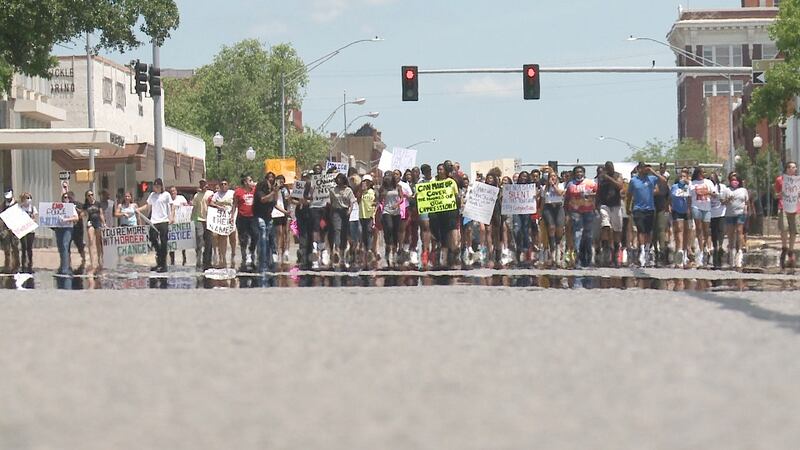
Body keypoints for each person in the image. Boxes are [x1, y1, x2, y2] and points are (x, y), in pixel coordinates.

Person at [627, 163, 667, 267]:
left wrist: (653, 172)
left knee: (649, 231)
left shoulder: (652, 179)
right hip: (638, 209)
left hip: (650, 209)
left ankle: (647, 250)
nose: (646, 169)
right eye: (644, 167)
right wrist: (628, 207)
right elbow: (629, 195)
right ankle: (642, 251)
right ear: (639, 169)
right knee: (641, 230)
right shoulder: (634, 181)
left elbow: (664, 180)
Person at [564, 166, 597, 268]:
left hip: (588, 211)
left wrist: (590, 195)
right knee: (577, 234)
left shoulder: (591, 183)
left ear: (584, 173)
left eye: (581, 172)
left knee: (588, 235)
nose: (579, 174)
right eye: (577, 172)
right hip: (575, 212)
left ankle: (588, 258)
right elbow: (567, 198)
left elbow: (597, 195)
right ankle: (577, 258)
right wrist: (566, 213)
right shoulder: (570, 184)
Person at [137, 178, 171, 273]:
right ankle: (159, 257)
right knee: (152, 238)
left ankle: (163, 264)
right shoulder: (152, 195)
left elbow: (171, 206)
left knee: (164, 242)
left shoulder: (166, 195)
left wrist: (172, 217)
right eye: (155, 186)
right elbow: (147, 206)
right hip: (154, 221)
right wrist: (138, 209)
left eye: (157, 186)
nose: (155, 188)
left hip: (163, 220)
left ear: (161, 186)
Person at [596, 161, 623, 266]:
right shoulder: (601, 177)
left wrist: (609, 178)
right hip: (604, 205)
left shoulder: (617, 175)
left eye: (610, 167)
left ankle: (615, 253)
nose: (609, 169)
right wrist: (596, 204)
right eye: (607, 167)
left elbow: (619, 186)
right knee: (605, 225)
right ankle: (606, 249)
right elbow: (598, 191)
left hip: (616, 205)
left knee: (617, 229)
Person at [689, 167, 716, 267]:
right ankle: (700, 251)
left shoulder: (709, 183)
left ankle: (708, 249)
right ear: (698, 173)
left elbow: (714, 195)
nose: (704, 173)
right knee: (699, 229)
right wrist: (688, 209)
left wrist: (708, 193)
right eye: (702, 172)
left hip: (706, 207)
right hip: (696, 207)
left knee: (706, 230)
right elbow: (689, 197)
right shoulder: (692, 183)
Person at [329, 173, 357, 267]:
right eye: (338, 179)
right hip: (336, 211)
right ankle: (336, 250)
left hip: (345, 212)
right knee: (337, 230)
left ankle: (342, 253)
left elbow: (352, 202)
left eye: (341, 179)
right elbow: (331, 202)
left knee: (344, 233)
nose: (339, 180)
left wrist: (350, 210)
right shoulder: (333, 190)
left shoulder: (348, 190)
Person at [207, 178, 235, 269]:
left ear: (228, 185)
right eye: (222, 184)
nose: (223, 186)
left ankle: (231, 254)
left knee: (231, 238)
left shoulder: (232, 193)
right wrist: (218, 206)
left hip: (230, 217)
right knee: (218, 237)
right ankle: (221, 256)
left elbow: (236, 203)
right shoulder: (216, 194)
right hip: (220, 219)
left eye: (225, 184)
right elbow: (211, 203)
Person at [775, 161, 798, 269]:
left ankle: (791, 250)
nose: (793, 169)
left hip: (795, 208)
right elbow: (775, 195)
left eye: (794, 167)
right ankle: (784, 248)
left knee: (793, 230)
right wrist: (781, 194)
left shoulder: (798, 181)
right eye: (790, 167)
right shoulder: (780, 180)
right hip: (783, 206)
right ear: (787, 169)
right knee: (784, 228)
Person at [724, 172, 748, 268]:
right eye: (732, 180)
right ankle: (731, 253)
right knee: (730, 234)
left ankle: (740, 252)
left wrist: (746, 209)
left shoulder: (743, 190)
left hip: (740, 213)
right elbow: (723, 202)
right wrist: (728, 200)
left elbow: (746, 201)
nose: (734, 182)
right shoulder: (727, 190)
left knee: (739, 231)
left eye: (736, 180)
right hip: (729, 214)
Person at [541, 171, 566, 266]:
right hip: (548, 207)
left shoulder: (561, 185)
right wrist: (541, 212)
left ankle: (558, 244)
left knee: (559, 227)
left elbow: (560, 194)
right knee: (551, 227)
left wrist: (554, 186)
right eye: (551, 176)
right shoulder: (544, 188)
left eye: (554, 176)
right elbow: (543, 200)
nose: (553, 178)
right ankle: (552, 249)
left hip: (559, 207)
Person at [233, 176, 257, 271]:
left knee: (255, 235)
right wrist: (231, 216)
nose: (251, 182)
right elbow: (235, 204)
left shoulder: (254, 190)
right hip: (242, 217)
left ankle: (252, 251)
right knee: (243, 238)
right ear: (245, 182)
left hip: (252, 217)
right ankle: (244, 255)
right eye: (250, 180)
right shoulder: (238, 192)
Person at [254, 173, 277, 272]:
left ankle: (267, 260)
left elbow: (274, 202)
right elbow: (263, 200)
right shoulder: (260, 188)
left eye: (272, 178)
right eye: (269, 178)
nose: (271, 180)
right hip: (260, 216)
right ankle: (262, 262)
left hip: (269, 216)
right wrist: (273, 192)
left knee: (269, 239)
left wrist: (275, 192)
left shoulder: (272, 189)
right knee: (263, 238)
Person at [379, 171, 404, 267]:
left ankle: (393, 254)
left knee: (395, 232)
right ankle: (387, 251)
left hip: (396, 212)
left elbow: (402, 198)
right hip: (386, 211)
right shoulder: (383, 188)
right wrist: (382, 195)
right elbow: (380, 200)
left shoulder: (398, 187)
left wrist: (397, 204)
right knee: (389, 227)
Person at [670, 168, 692, 268]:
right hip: (677, 211)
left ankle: (685, 254)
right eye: (680, 176)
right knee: (679, 231)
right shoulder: (674, 187)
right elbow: (672, 197)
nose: (682, 178)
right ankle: (679, 252)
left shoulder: (689, 186)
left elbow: (691, 197)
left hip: (687, 211)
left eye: (684, 177)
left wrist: (689, 183)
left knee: (687, 233)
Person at [54, 192, 80, 275]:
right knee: (60, 247)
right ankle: (62, 265)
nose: (65, 199)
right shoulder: (58, 207)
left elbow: (76, 218)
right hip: (59, 229)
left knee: (65, 245)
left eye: (67, 197)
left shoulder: (71, 207)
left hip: (67, 228)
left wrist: (66, 220)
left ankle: (65, 268)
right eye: (64, 197)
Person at [191, 179, 213, 270]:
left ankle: (207, 261)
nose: (202, 185)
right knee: (199, 238)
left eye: (204, 183)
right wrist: (192, 218)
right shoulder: (196, 195)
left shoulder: (211, 194)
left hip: (209, 220)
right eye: (201, 184)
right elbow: (194, 207)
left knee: (209, 241)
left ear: (207, 184)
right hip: (199, 219)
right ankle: (198, 259)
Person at [82, 189, 106, 272]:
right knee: (91, 241)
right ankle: (92, 262)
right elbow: (84, 214)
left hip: (98, 222)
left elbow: (101, 214)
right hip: (90, 222)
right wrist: (81, 213)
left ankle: (99, 260)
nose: (91, 196)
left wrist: (104, 223)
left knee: (98, 242)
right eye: (89, 195)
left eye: (92, 194)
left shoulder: (98, 203)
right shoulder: (86, 205)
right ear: (86, 197)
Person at [357, 175, 377, 268]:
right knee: (362, 233)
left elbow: (377, 201)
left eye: (367, 182)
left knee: (369, 232)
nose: (365, 184)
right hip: (361, 215)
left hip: (370, 215)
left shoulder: (373, 192)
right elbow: (357, 200)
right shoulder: (361, 192)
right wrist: (361, 191)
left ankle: (369, 249)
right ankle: (365, 249)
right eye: (363, 182)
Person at [708, 172, 727, 269]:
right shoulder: (708, 186)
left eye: (713, 178)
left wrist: (722, 199)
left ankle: (720, 246)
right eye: (710, 178)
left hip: (721, 212)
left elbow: (727, 197)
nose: (712, 179)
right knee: (713, 231)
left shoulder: (722, 187)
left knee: (721, 230)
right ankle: (714, 247)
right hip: (711, 213)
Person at [65, 191, 86, 270]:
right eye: (67, 197)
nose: (69, 199)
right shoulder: (64, 206)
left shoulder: (79, 204)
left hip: (78, 228)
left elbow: (84, 214)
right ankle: (68, 262)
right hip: (68, 228)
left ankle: (83, 259)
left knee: (79, 244)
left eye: (70, 197)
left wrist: (76, 210)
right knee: (67, 245)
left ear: (73, 197)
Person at [168, 185, 189, 266]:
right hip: (171, 223)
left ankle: (184, 258)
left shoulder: (181, 198)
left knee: (182, 243)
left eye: (174, 191)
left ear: (176, 191)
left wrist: (181, 206)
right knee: (171, 243)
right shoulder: (168, 200)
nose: (173, 192)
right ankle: (172, 260)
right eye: (171, 191)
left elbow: (187, 207)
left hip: (181, 223)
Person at [0, 191, 20, 273]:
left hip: (15, 229)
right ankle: (7, 265)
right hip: (6, 229)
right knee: (7, 249)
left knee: (15, 248)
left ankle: (16, 265)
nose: (8, 200)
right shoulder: (2, 205)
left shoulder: (16, 205)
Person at [18, 192, 38, 273]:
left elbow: (35, 218)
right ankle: (23, 264)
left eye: (29, 198)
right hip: (22, 230)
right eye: (26, 198)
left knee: (29, 248)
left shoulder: (33, 208)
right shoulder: (20, 208)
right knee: (24, 247)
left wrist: (30, 221)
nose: (28, 200)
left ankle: (30, 264)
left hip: (31, 230)